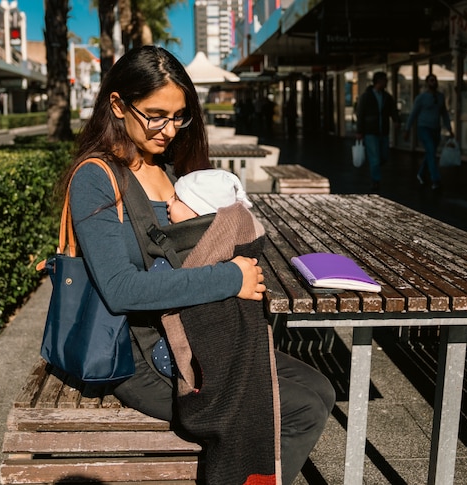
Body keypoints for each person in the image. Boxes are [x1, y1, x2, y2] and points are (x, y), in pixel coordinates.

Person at [57, 45, 334, 485]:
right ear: (117, 105)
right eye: (156, 115)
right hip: (139, 356)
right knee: (298, 409)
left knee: (321, 389)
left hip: (196, 337)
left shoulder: (167, 168)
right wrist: (230, 278)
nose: (169, 129)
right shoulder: (96, 177)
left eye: (179, 116)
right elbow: (121, 288)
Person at [404, 73, 454, 190]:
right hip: (424, 128)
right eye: (431, 80)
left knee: (430, 154)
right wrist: (407, 129)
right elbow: (413, 114)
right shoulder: (421, 98)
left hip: (436, 129)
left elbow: (444, 114)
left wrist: (449, 129)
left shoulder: (440, 97)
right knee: (431, 151)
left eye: (435, 80)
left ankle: (421, 174)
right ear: (427, 83)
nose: (434, 82)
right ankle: (435, 180)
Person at [356, 72, 400, 191]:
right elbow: (360, 113)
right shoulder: (366, 96)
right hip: (370, 131)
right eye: (385, 80)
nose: (386, 82)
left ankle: (374, 167)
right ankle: (376, 180)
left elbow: (393, 110)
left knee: (384, 156)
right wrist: (360, 131)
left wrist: (396, 120)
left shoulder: (386, 96)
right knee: (375, 157)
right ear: (379, 81)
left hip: (383, 131)